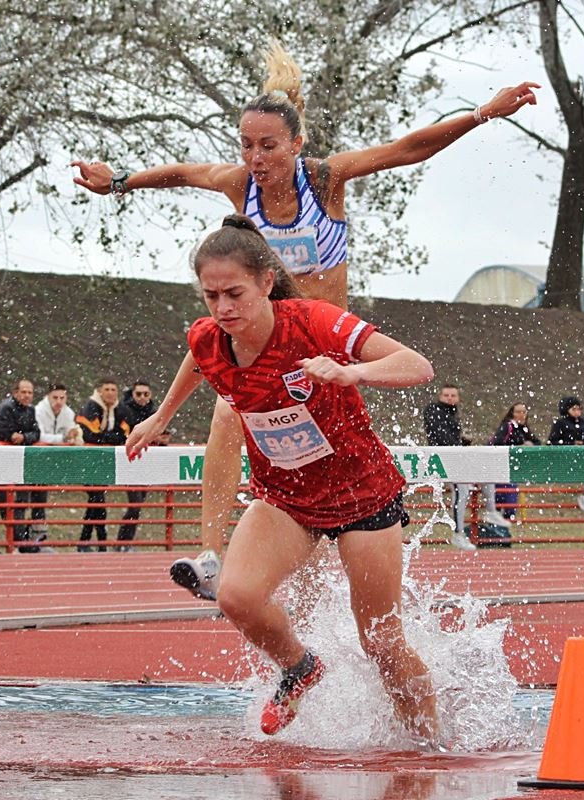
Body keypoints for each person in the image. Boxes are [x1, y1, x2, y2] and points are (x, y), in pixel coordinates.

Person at [74, 43, 540, 600]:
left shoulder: (325, 180)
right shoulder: (236, 184)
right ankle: (210, 555)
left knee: (319, 484)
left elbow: (407, 149)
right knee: (229, 410)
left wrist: (483, 113)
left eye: (269, 146)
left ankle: (332, 580)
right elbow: (179, 173)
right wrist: (119, 181)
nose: (256, 158)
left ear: (296, 145)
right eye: (246, 145)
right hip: (266, 341)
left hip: (324, 344)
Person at [124, 215, 439, 740]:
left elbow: (418, 365)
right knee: (236, 597)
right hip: (287, 500)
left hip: (360, 498)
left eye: (234, 293)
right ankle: (299, 667)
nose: (223, 309)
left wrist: (352, 371)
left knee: (381, 642)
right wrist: (162, 416)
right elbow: (198, 358)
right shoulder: (210, 336)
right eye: (210, 296)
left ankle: (431, 748)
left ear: (267, 282)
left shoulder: (314, 322)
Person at [422, 384, 503, 549]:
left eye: (453, 395)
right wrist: (456, 444)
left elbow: (449, 436)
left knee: (488, 473)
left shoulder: (453, 414)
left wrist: (462, 442)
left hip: (457, 456)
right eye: (446, 395)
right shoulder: (434, 410)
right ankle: (458, 533)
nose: (449, 398)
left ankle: (491, 511)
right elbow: (439, 435)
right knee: (462, 490)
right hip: (444, 459)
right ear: (440, 396)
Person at [0, 379, 41, 553]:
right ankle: (9, 540)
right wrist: (18, 437)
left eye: (30, 392)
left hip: (16, 460)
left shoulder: (30, 410)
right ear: (15, 393)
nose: (27, 396)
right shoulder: (5, 409)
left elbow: (36, 433)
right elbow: (2, 432)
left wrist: (24, 437)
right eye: (24, 392)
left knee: (6, 500)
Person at [75, 378, 131, 552]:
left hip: (104, 460)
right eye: (106, 389)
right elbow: (90, 435)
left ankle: (89, 541)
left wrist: (107, 438)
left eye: (113, 389)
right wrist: (109, 438)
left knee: (96, 501)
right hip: (89, 459)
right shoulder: (90, 407)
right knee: (97, 500)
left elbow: (124, 434)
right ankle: (98, 541)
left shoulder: (120, 409)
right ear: (99, 391)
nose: (110, 393)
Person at [31, 382, 81, 547]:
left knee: (42, 498)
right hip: (37, 458)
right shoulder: (38, 411)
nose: (59, 401)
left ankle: (39, 536)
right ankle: (26, 537)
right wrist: (62, 439)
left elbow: (71, 433)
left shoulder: (68, 413)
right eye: (55, 397)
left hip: (54, 460)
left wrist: (72, 436)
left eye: (62, 397)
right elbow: (40, 436)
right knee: (31, 498)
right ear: (48, 397)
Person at [117, 380, 158, 549]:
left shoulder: (154, 411)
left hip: (146, 461)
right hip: (130, 459)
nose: (142, 398)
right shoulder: (124, 410)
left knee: (138, 505)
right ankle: (122, 542)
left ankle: (126, 542)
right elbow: (122, 434)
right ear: (132, 395)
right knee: (135, 504)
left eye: (145, 394)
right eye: (138, 394)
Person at [489, 402, 542, 523]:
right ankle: (501, 520)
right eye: (518, 412)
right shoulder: (508, 427)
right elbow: (497, 444)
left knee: (510, 493)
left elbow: (537, 442)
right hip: (500, 466)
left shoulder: (524, 428)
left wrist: (531, 445)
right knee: (506, 493)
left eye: (524, 412)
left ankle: (504, 521)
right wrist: (519, 447)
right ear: (512, 413)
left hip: (512, 468)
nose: (521, 415)